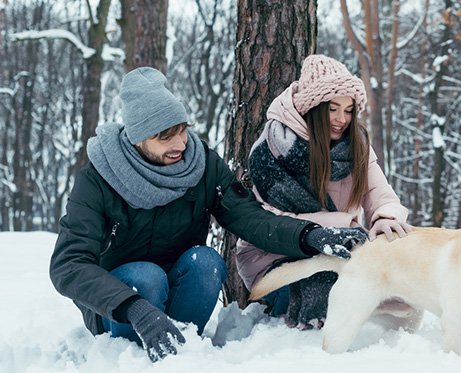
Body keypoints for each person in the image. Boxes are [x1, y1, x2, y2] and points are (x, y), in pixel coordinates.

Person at [49, 67, 367, 362]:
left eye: (182, 130)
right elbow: (68, 264)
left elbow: (250, 218)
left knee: (207, 261)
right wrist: (135, 309)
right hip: (121, 306)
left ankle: (184, 354)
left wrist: (311, 235)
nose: (180, 144)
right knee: (146, 275)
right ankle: (133, 359)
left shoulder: (201, 165)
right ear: (138, 138)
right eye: (165, 136)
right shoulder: (98, 180)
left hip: (180, 286)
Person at [236, 54, 412, 329]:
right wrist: (344, 226)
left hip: (339, 250)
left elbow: (380, 192)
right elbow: (271, 219)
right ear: (314, 107)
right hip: (275, 259)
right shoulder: (273, 149)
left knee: (401, 282)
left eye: (349, 109)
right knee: (333, 289)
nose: (342, 119)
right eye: (332, 109)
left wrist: (385, 218)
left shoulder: (357, 145)